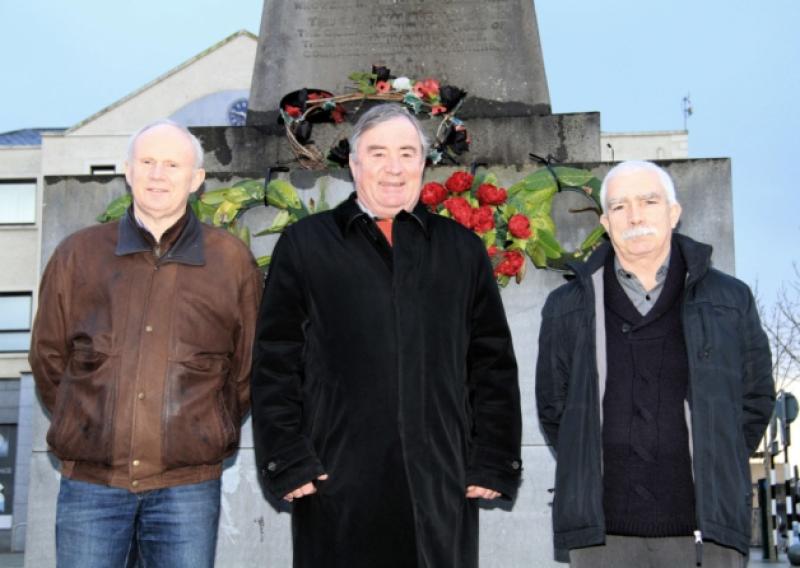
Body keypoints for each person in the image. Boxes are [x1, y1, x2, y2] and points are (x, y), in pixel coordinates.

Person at [251, 104, 522, 568]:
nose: (393, 168)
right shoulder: (305, 245)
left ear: (423, 164)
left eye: (406, 153)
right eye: (377, 153)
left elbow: (491, 363)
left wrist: (494, 456)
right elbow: (276, 361)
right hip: (338, 483)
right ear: (354, 165)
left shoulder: (462, 250)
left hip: (439, 481)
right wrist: (287, 458)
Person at [29, 119, 263, 568]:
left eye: (172, 164)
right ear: (128, 171)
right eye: (148, 162)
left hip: (187, 487)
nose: (158, 174)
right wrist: (85, 422)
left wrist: (206, 427)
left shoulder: (231, 261)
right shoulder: (78, 254)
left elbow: (247, 366)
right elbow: (49, 357)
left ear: (196, 180)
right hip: (92, 484)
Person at [535, 160, 774, 567]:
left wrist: (720, 461)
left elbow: (755, 399)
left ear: (673, 213)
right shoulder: (566, 306)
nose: (636, 215)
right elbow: (556, 410)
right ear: (606, 222)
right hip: (601, 538)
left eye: (649, 200)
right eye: (621, 206)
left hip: (705, 536)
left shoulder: (730, 300)